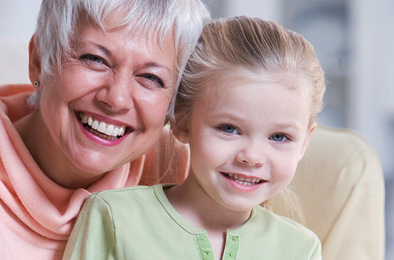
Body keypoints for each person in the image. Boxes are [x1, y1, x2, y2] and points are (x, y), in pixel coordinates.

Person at [64, 16, 326, 260]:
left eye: (279, 137)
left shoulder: (302, 249)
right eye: (229, 129)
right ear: (182, 123)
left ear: (305, 142)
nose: (252, 157)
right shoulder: (113, 216)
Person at [0, 0, 210, 259]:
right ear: (39, 60)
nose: (117, 99)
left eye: (150, 78)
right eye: (95, 59)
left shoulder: (190, 177)